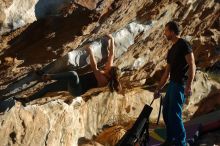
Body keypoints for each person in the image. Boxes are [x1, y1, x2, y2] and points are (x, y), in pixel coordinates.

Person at [15, 34, 122, 104]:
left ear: (110, 74)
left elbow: (94, 66)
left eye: (109, 68)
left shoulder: (103, 80)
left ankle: (46, 76)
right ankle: (27, 99)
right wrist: (111, 39)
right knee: (47, 88)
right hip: (73, 84)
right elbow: (111, 55)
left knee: (73, 74)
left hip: (77, 89)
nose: (107, 66)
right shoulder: (109, 71)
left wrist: (90, 51)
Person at [154, 21, 196, 146]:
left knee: (175, 115)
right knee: (166, 112)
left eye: (166, 31)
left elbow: (192, 64)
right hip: (172, 84)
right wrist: (158, 88)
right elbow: (166, 72)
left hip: (181, 85)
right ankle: (171, 139)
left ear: (172, 32)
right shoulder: (171, 50)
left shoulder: (184, 44)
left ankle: (181, 143)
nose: (164, 33)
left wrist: (189, 85)